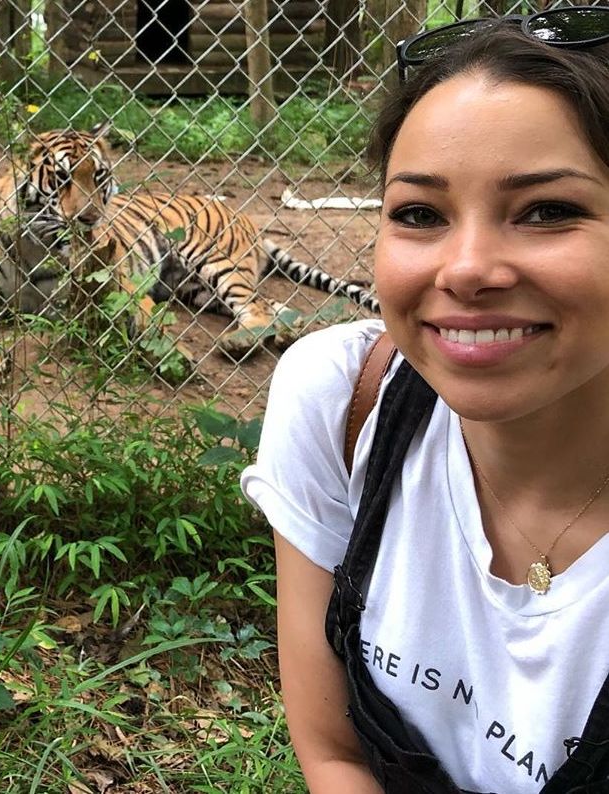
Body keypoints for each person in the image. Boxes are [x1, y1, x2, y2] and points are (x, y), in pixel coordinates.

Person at [241, 8, 609, 793]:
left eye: (547, 211)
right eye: (418, 214)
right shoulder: (342, 400)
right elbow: (335, 753)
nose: (466, 268)